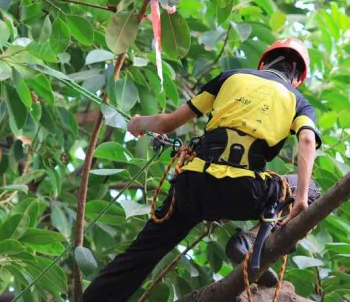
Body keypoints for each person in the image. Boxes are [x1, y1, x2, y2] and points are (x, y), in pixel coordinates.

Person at [83, 38, 322, 302]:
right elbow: (308, 140)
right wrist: (300, 200)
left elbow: (168, 122)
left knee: (140, 255)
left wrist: (140, 122)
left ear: (263, 62)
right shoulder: (298, 100)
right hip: (243, 191)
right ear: (298, 78)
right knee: (312, 189)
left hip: (192, 186)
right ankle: (248, 241)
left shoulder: (230, 77)